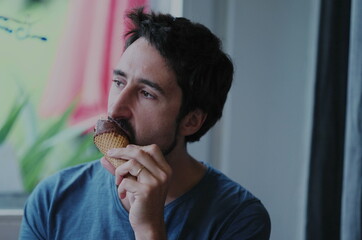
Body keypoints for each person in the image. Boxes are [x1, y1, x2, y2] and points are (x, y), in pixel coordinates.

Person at [19, 7, 271, 240]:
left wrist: (150, 229)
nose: (116, 109)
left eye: (146, 94)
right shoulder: (52, 199)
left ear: (191, 121)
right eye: (119, 82)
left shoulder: (239, 218)